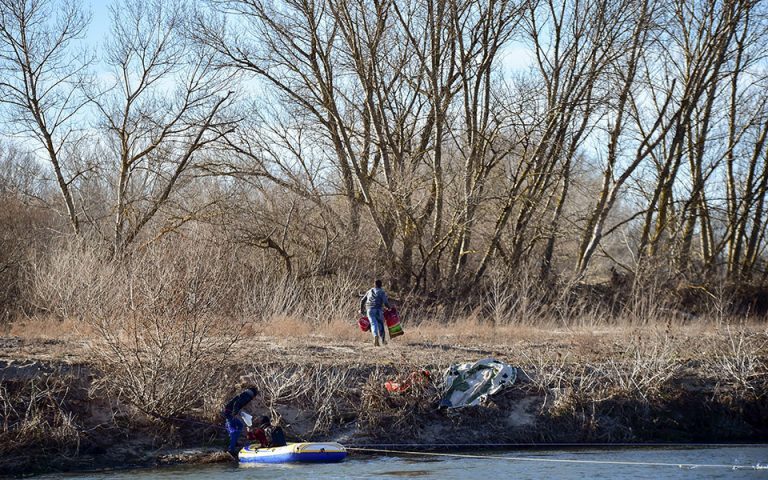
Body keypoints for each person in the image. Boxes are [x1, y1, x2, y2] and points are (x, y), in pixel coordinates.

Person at [221, 386, 259, 458]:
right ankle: (231, 449)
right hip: (229, 413)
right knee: (234, 430)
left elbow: (236, 403)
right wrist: (234, 414)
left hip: (228, 411)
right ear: (253, 394)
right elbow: (236, 403)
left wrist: (238, 412)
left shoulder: (244, 394)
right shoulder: (247, 396)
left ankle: (234, 443)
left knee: (239, 426)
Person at [360, 279, 390, 346]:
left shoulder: (369, 291)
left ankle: (375, 336)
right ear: (381, 285)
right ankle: (383, 340)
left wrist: (361, 310)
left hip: (370, 310)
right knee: (381, 324)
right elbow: (385, 302)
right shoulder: (381, 292)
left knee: (373, 323)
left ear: (374, 285)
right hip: (378, 310)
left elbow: (362, 300)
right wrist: (389, 308)